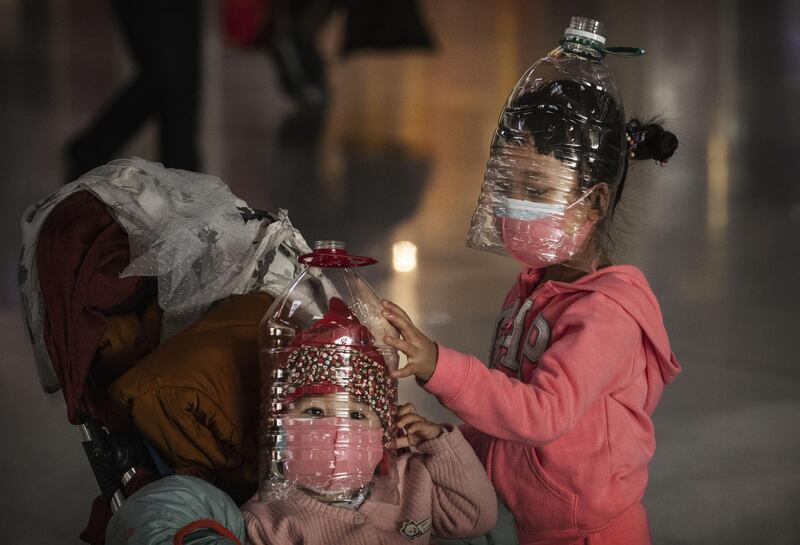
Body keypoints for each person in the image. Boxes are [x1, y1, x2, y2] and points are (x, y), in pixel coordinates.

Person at [378, 19, 681, 545]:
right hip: (523, 524)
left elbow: (542, 414)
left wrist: (437, 364)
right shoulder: (534, 289)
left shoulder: (605, 315)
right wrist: (452, 443)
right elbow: (508, 405)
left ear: (598, 200)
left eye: (537, 187)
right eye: (510, 184)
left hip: (583, 534)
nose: (517, 205)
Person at [241, 350, 498, 545]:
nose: (338, 431)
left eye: (356, 415)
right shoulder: (266, 519)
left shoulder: (413, 480)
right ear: (282, 426)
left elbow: (475, 518)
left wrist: (440, 442)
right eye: (315, 411)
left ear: (384, 429)